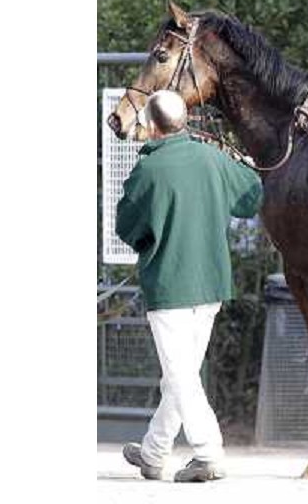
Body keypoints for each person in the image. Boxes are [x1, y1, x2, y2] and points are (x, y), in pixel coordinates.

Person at [115, 90, 263, 482]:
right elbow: (251, 199)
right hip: (212, 283)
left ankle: (208, 454)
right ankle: (153, 452)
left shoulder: (148, 170)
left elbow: (126, 227)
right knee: (180, 374)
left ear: (151, 124)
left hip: (169, 286)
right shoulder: (212, 158)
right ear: (183, 121)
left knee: (181, 376)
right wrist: (238, 161)